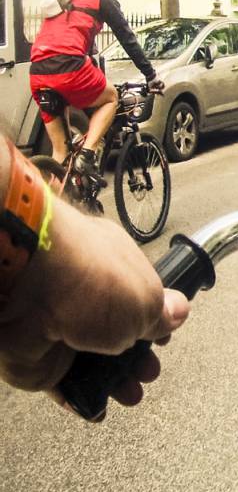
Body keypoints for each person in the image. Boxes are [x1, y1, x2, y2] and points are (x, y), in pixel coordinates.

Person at [0, 136, 188, 415]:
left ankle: (65, 159)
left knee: (61, 134)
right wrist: (49, 249)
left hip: (45, 93)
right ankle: (87, 154)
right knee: (110, 100)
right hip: (74, 91)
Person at [29, 0, 162, 178]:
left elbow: (85, 45)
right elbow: (127, 38)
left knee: (60, 152)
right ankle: (88, 155)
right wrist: (151, 76)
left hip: (38, 71)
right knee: (111, 97)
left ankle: (55, 203)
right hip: (68, 66)